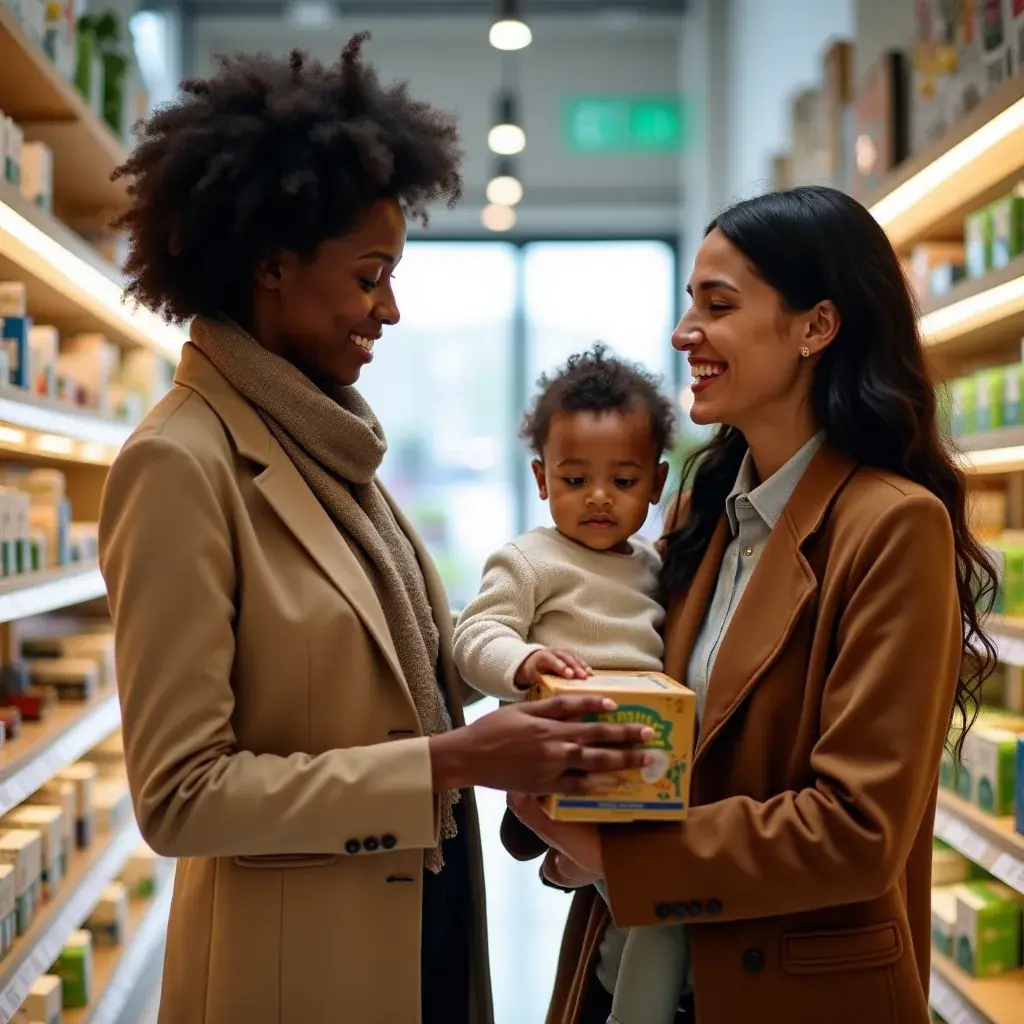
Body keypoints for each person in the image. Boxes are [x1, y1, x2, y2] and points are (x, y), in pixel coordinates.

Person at [98, 35, 654, 1024]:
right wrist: (455, 762)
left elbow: (398, 660)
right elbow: (182, 795)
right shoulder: (180, 463)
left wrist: (527, 672)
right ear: (271, 264)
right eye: (369, 275)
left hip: (417, 928)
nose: (389, 308)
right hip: (299, 969)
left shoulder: (327, 445)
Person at [503, 185, 998, 1024]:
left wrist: (616, 855)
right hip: (626, 976)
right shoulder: (705, 510)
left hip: (783, 991)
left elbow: (856, 831)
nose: (683, 330)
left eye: (718, 304)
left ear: (816, 327)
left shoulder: (892, 527)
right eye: (690, 301)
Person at [454, 343, 682, 1024]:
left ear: (657, 482)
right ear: (542, 478)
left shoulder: (653, 567)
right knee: (655, 913)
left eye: (624, 479)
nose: (600, 497)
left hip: (643, 765)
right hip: (563, 765)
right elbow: (474, 637)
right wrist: (525, 663)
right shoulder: (529, 559)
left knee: (653, 914)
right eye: (576, 479)